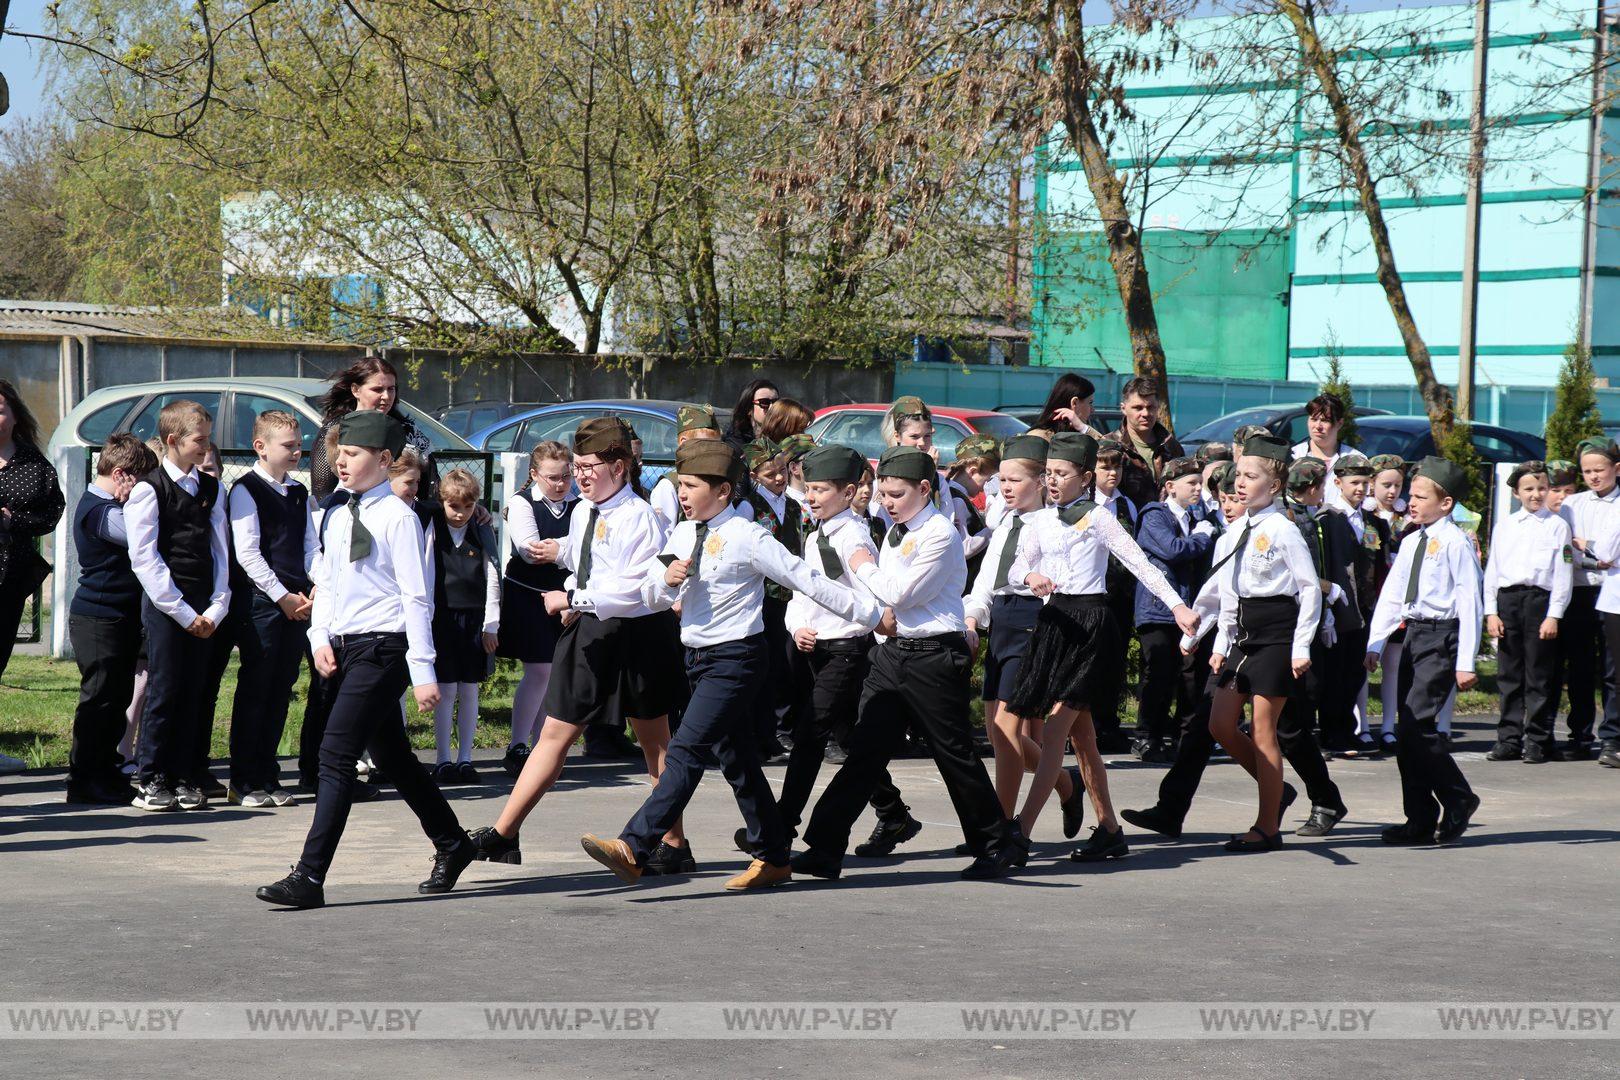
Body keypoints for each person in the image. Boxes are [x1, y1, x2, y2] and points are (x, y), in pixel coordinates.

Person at [579, 440, 884, 891]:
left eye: (690, 486)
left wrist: (874, 614)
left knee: (685, 750)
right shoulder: (682, 534)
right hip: (697, 660)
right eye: (679, 485)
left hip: (737, 659)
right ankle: (775, 855)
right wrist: (665, 581)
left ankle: (634, 845)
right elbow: (651, 595)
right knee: (738, 760)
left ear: (722, 492)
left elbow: (807, 580)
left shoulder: (749, 536)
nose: (681, 494)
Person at [255, 410, 479, 909]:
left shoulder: (397, 517)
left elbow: (416, 597)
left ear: (382, 460)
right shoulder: (338, 514)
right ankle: (453, 841)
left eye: (352, 454)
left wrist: (423, 672)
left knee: (334, 755)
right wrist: (319, 637)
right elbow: (329, 583)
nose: (340, 462)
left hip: (386, 647)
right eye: (338, 453)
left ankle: (309, 878)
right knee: (394, 757)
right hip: (348, 646)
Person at [791, 446, 1027, 881]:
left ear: (924, 489)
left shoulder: (940, 533)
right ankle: (824, 848)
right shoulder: (896, 529)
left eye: (896, 494)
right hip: (893, 653)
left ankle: (998, 843)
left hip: (933, 656)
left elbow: (899, 594)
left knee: (952, 755)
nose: (886, 502)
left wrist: (861, 564)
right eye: (881, 493)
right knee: (864, 753)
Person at [466, 418, 691, 874]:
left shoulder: (640, 518)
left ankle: (674, 844)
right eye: (578, 466)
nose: (582, 476)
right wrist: (562, 554)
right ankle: (504, 833)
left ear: (621, 467)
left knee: (656, 743)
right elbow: (590, 555)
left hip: (640, 633)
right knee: (555, 733)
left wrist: (572, 596)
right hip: (592, 632)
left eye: (591, 467)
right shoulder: (587, 509)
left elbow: (634, 589)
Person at [1002, 432, 1197, 860]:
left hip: (1091, 626)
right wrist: (1029, 579)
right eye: (1049, 472)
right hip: (1055, 624)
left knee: (1055, 731)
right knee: (1083, 739)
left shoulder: (1099, 518)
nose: (1052, 481)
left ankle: (1020, 833)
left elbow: (1139, 563)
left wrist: (1178, 606)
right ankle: (1109, 828)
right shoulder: (1040, 520)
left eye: (1062, 474)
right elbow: (1017, 568)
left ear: (1085, 477)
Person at [772, 444, 922, 854]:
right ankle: (894, 815)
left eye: (821, 489)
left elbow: (870, 594)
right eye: (810, 488)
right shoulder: (817, 533)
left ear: (848, 491)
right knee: (852, 740)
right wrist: (798, 624)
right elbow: (806, 592)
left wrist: (878, 627)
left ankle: (781, 826)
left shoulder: (853, 535)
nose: (813, 496)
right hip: (818, 649)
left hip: (848, 650)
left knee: (810, 735)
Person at [1180, 435, 1324, 853]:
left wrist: (1302, 646)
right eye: (1239, 475)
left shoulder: (1283, 529)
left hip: (1277, 634)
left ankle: (1267, 826)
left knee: (1264, 732)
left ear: (1275, 485)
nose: (1240, 483)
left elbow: (1309, 589)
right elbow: (1224, 590)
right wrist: (1211, 638)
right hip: (1242, 634)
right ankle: (1276, 790)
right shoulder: (1236, 530)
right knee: (1220, 724)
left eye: (1251, 476)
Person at [964, 433, 1085, 831]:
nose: (1005, 487)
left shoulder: (1053, 526)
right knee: (997, 732)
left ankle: (1000, 824)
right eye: (1001, 479)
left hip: (1035, 621)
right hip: (1002, 619)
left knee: (1008, 727)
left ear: (1040, 482)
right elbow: (987, 578)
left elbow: (1064, 582)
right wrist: (972, 617)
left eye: (1014, 480)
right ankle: (1066, 783)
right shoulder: (1004, 523)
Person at [1365, 456, 1483, 845]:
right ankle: (1418, 818)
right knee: (1406, 728)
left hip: (1442, 636)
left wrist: (1466, 661)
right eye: (1409, 495)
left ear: (1445, 504)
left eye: (1419, 496)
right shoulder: (1412, 540)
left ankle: (1458, 797)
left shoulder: (1455, 542)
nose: (1410, 502)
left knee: (1419, 728)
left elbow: (1470, 603)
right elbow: (1393, 596)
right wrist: (1376, 644)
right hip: (1415, 633)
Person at [124, 400, 231, 812]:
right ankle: (151, 777)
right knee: (165, 690)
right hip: (169, 607)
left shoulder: (211, 487)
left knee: (194, 691)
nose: (207, 447)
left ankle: (185, 774)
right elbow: (145, 559)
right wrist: (184, 612)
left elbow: (220, 550)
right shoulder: (149, 489)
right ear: (173, 441)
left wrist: (217, 606)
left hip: (205, 605)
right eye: (199, 439)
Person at [225, 410, 317, 808]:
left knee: (282, 690)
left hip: (298, 601)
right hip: (264, 602)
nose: (297, 451)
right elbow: (248, 552)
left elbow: (311, 546)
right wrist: (281, 595)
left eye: (299, 444)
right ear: (260, 447)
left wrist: (315, 588)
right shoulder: (246, 490)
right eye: (289, 446)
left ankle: (268, 774)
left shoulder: (299, 492)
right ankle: (243, 779)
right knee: (257, 688)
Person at [65, 434, 157, 804]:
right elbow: (142, 538)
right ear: (120, 476)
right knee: (99, 700)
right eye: (142, 484)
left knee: (116, 699)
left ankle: (106, 770)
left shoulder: (110, 506)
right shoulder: (100, 511)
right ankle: (84, 779)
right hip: (98, 619)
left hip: (118, 618)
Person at [1483, 461, 1572, 764]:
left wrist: (1554, 614)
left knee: (1539, 674)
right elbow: (1492, 570)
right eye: (1529, 489)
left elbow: (1563, 573)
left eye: (1542, 488)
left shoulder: (1558, 526)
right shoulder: (1505, 526)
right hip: (1508, 601)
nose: (1536, 494)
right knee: (1509, 674)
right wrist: (1491, 611)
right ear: (1516, 492)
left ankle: (1537, 739)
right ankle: (1508, 738)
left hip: (1539, 602)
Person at [1132, 456, 1219, 764]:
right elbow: (1174, 550)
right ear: (1170, 487)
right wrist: (1202, 536)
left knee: (1188, 677)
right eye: (1191, 483)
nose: (1197, 488)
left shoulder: (1198, 519)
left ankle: (1183, 736)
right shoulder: (1154, 515)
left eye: (1199, 482)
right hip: (1157, 609)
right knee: (1158, 673)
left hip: (1188, 611)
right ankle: (1146, 736)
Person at [498, 441, 575, 777]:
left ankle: (541, 747)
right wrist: (567, 549)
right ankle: (517, 745)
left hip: (567, 595)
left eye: (566, 476)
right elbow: (530, 550)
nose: (560, 484)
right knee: (540, 670)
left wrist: (560, 550)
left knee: (555, 674)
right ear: (534, 474)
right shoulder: (521, 503)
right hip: (528, 595)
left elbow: (590, 549)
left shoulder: (581, 504)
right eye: (552, 477)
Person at [1281, 457, 1362, 759]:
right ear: (1313, 487)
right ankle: (1295, 741)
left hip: (1313, 606)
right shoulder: (1293, 518)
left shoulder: (1308, 515)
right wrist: (1328, 591)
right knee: (1303, 682)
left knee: (1314, 681)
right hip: (1296, 609)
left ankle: (1302, 739)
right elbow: (1299, 570)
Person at [428, 468, 501, 784]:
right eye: (454, 506)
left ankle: (466, 758)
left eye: (468, 507)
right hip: (441, 618)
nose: (460, 514)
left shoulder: (482, 530)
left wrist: (491, 624)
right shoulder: (431, 528)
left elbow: (493, 575)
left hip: (474, 619)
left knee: (470, 688)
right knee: (445, 689)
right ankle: (443, 758)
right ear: (442, 502)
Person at [0, 378, 66, 703]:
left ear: (14, 416)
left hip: (10, 579)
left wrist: (14, 521)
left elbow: (53, 510)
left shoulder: (34, 465)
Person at [1559, 438, 1620, 761]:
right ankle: (1580, 733)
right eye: (1587, 472)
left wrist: (1592, 549)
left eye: (1600, 470)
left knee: (1613, 668)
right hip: (1581, 590)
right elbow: (1570, 549)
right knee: (1580, 667)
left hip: (1613, 592)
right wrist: (1594, 556)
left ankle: (1612, 736)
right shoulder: (1574, 504)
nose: (1594, 477)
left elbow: (1609, 555)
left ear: (1616, 469)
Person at [1330, 453, 1394, 758]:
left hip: (1365, 607)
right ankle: (1332, 732)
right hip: (1339, 608)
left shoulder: (1373, 522)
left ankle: (1347, 730)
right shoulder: (1328, 519)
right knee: (1336, 671)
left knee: (1356, 671)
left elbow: (1379, 562)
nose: (1360, 488)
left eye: (1365, 482)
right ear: (1338, 482)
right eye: (1354, 482)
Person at [745, 437, 804, 758]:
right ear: (755, 475)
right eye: (771, 474)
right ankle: (759, 735)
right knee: (762, 666)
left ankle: (776, 732)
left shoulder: (793, 505)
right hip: (762, 596)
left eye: (782, 470)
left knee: (784, 666)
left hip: (789, 595)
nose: (780, 478)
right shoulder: (749, 506)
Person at [309, 357, 432, 502]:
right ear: (355, 390)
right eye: (377, 389)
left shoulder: (407, 431)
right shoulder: (337, 429)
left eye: (391, 389)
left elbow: (430, 486)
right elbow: (322, 492)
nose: (386, 396)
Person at [1091, 438, 1141, 755]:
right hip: (1093, 593)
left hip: (1119, 598)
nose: (1112, 472)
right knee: (1090, 662)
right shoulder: (1086, 503)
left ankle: (1108, 724)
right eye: (1105, 466)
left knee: (1114, 661)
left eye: (1117, 466)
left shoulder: (1126, 504)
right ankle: (1086, 727)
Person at [1113, 377, 1183, 511]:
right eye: (1138, 408)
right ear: (1123, 408)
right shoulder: (1111, 446)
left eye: (1151, 407)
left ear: (1158, 408)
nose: (1145, 413)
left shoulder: (1172, 447)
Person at [650, 405, 723, 530]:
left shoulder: (718, 479)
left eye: (717, 445)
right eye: (705, 445)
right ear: (684, 442)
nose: (713, 451)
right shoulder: (669, 486)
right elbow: (664, 536)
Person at [1290, 394, 1354, 510]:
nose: (1318, 426)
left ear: (1339, 423)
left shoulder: (1354, 459)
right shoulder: (1293, 456)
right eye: (1313, 419)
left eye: (1325, 420)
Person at [1032, 373, 1104, 437]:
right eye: (1090, 403)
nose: (1092, 410)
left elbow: (1110, 450)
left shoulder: (1082, 434)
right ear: (1074, 403)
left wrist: (1083, 428)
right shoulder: (1039, 437)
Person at [723, 378, 779, 454]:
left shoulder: (785, 436)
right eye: (765, 402)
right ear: (749, 408)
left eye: (776, 403)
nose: (772, 408)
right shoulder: (735, 442)